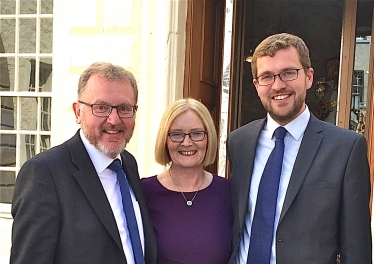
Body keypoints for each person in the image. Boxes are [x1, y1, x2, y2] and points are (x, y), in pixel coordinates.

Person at [227, 33, 371, 264]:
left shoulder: (346, 149)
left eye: (288, 72)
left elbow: (357, 248)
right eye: (267, 76)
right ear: (256, 85)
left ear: (309, 77)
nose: (278, 85)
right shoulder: (239, 142)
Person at [10, 62, 157, 264]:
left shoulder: (128, 164)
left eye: (124, 108)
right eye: (101, 107)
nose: (114, 119)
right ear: (78, 112)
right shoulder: (44, 174)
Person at [141, 98, 232, 264]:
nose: (187, 143)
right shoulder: (142, 192)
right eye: (177, 134)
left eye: (196, 133)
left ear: (208, 138)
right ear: (165, 140)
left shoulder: (229, 193)